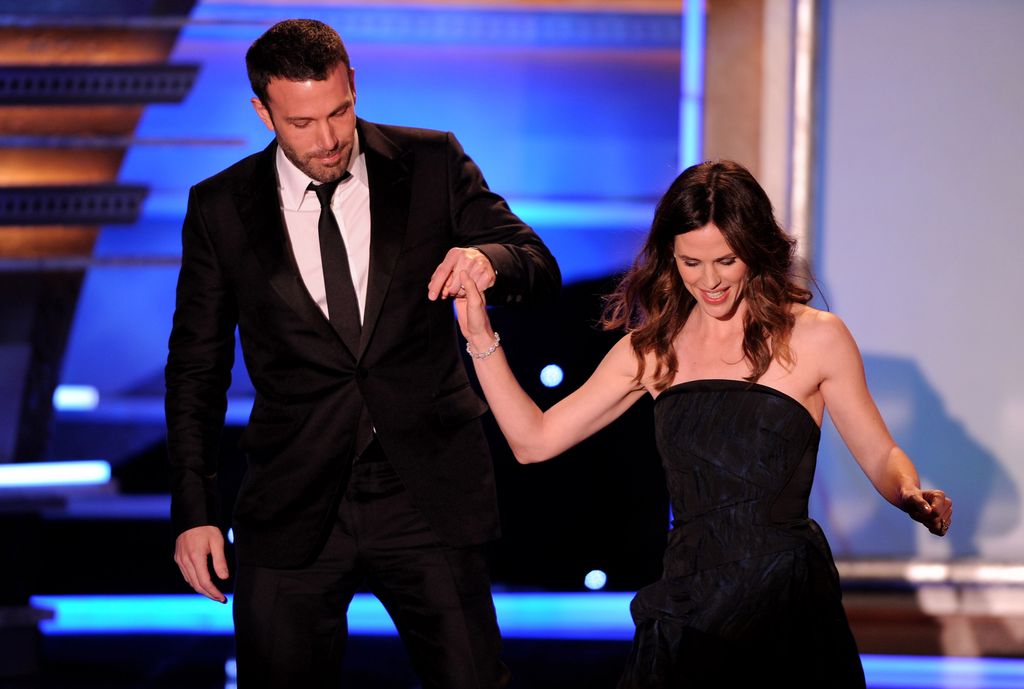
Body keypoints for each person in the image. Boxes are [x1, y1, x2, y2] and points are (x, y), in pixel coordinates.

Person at [165, 18, 560, 689]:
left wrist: (487, 258)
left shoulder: (432, 163)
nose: (326, 139)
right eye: (300, 122)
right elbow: (197, 367)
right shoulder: (221, 207)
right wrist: (195, 508)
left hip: (423, 491)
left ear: (354, 85)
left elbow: (537, 265)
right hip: (292, 498)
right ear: (262, 112)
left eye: (339, 110)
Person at [454, 159, 952, 686]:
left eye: (726, 260)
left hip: (785, 602)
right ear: (670, 256)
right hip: (688, 601)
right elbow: (533, 441)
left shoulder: (816, 339)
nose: (709, 281)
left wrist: (908, 492)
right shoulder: (651, 352)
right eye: (691, 262)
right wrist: (480, 337)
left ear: (755, 251)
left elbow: (879, 453)